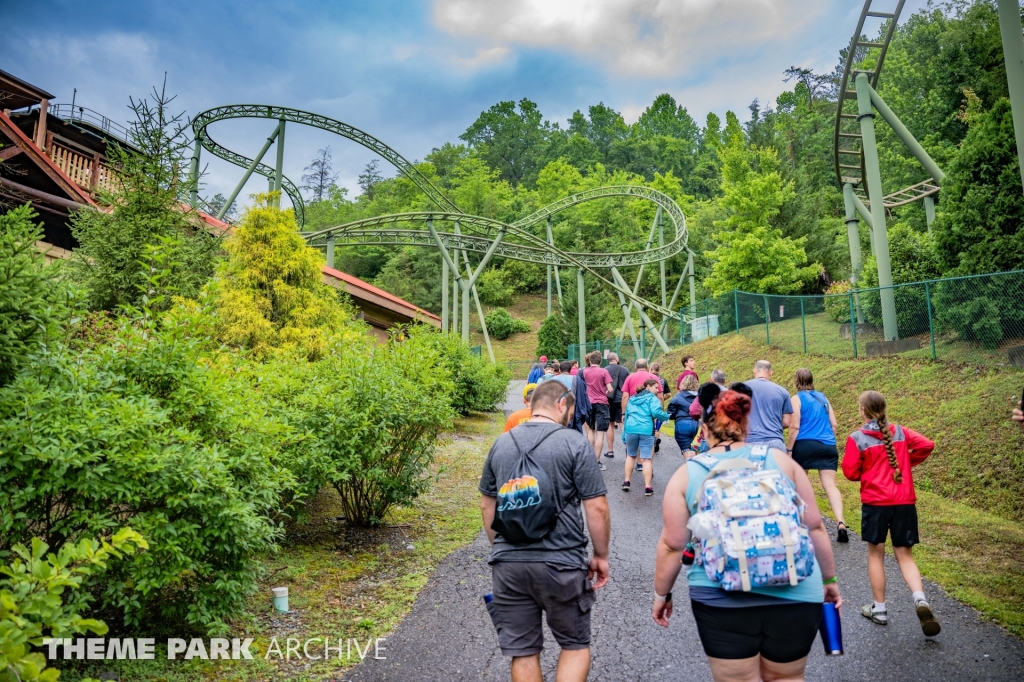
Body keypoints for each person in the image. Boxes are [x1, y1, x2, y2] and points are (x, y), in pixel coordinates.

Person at [653, 390, 842, 682]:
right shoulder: (782, 462)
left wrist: (662, 594)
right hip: (797, 589)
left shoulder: (688, 474)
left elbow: (673, 545)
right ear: (746, 427)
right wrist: (828, 580)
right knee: (787, 677)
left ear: (704, 429)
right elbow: (814, 526)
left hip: (721, 595)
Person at [479, 381, 611, 682]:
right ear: (561, 404)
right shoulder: (574, 443)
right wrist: (601, 555)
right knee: (574, 645)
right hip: (562, 563)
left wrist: (500, 549)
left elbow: (488, 505)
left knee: (523, 652)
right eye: (572, 410)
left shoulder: (501, 443)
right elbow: (597, 507)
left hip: (508, 565)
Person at [843, 390, 939, 637]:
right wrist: (906, 461)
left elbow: (850, 472)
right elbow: (927, 445)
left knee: (876, 555)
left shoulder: (857, 438)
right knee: (905, 556)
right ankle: (920, 600)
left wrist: (870, 472)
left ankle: (880, 610)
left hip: (875, 503)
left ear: (863, 411)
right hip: (904, 502)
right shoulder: (901, 432)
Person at [786, 368, 847, 543]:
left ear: (796, 380)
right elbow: (834, 424)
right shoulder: (823, 398)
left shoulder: (796, 399)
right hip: (827, 445)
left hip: (804, 445)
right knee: (830, 486)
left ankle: (804, 524)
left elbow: (794, 426)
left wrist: (789, 450)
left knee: (802, 483)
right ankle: (841, 523)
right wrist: (827, 440)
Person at [622, 378, 671, 496]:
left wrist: (624, 433)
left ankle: (626, 481)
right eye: (656, 387)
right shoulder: (652, 399)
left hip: (631, 429)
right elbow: (656, 413)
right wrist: (666, 416)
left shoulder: (632, 398)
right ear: (648, 387)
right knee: (646, 459)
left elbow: (627, 416)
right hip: (646, 430)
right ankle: (648, 487)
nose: (657, 390)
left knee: (630, 455)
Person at [746, 360, 793, 452]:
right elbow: (787, 422)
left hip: (749, 442)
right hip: (775, 442)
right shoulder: (783, 391)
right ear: (771, 373)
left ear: (754, 371)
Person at [581, 351, 613, 471]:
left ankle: (589, 460)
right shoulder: (604, 371)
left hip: (589, 402)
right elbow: (610, 389)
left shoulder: (584, 371)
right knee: (600, 433)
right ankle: (597, 461)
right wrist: (604, 392)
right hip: (601, 403)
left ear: (590, 361)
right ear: (600, 361)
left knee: (590, 431)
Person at [604, 353, 630, 459]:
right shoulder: (625, 370)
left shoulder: (604, 370)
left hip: (609, 399)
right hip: (622, 399)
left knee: (610, 424)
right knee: (622, 423)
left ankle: (610, 451)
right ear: (616, 359)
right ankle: (628, 448)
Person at [667, 375, 700, 457]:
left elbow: (670, 413)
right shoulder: (701, 396)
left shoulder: (678, 397)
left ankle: (690, 467)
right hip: (699, 425)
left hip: (683, 425)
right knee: (695, 449)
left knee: (687, 452)